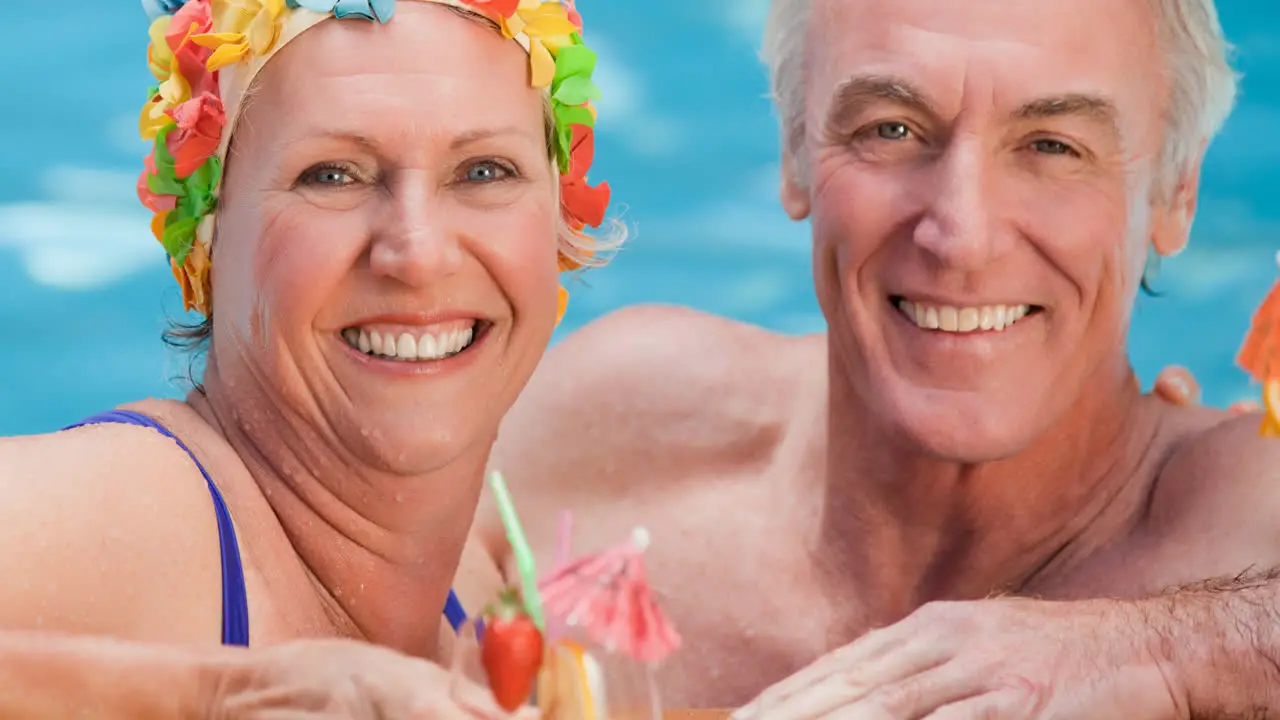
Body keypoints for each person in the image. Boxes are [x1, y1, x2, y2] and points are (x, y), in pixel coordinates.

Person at [479, 0, 1280, 715]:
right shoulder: (613, 433)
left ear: (1177, 191)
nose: (962, 236)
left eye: (1052, 145)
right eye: (891, 129)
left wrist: (1147, 648)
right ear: (795, 152)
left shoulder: (1245, 528)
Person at [0, 0, 616, 715]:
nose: (418, 253)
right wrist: (220, 693)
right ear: (205, 234)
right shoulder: (127, 513)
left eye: (483, 171)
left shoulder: (474, 600)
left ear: (561, 222)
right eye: (332, 175)